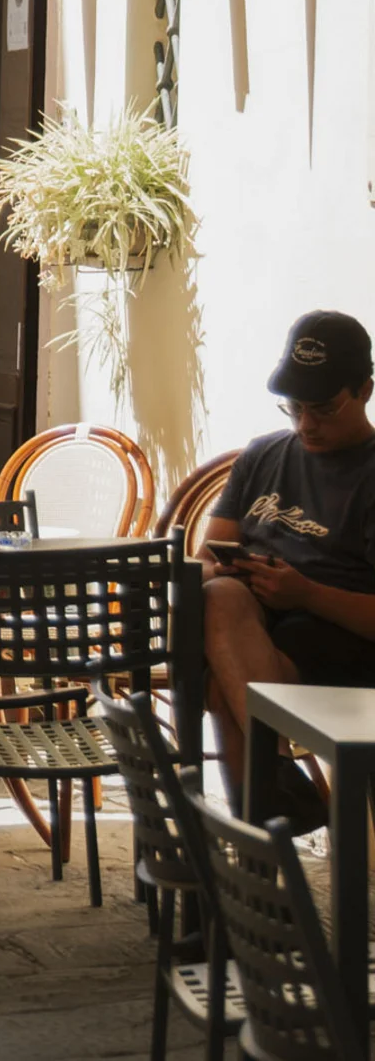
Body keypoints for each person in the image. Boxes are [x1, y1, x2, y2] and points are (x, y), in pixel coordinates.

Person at [202, 310, 375, 829]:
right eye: (294, 407)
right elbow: (211, 553)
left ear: (365, 389)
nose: (305, 425)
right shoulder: (263, 455)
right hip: (252, 633)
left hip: (336, 646)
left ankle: (261, 859)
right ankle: (273, 786)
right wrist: (239, 574)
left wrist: (305, 594)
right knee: (219, 597)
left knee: (217, 687)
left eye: (322, 409)